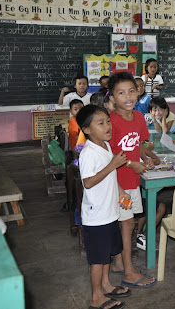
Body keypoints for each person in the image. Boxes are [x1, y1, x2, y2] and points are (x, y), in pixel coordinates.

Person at [76, 105, 132, 309]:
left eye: (108, 121)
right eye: (100, 123)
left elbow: (111, 176)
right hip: (96, 216)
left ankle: (106, 285)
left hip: (110, 212)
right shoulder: (88, 153)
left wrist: (121, 191)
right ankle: (96, 297)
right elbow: (88, 182)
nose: (107, 126)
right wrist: (112, 165)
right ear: (87, 129)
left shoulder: (106, 146)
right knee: (98, 259)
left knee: (107, 253)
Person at [106, 72, 156, 289]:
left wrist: (146, 158)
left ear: (138, 92)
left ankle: (119, 262)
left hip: (133, 180)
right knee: (127, 224)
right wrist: (130, 163)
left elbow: (138, 145)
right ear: (112, 97)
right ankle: (129, 272)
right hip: (118, 183)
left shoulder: (138, 117)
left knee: (126, 223)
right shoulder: (110, 121)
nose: (128, 96)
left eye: (131, 91)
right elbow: (108, 153)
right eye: (121, 93)